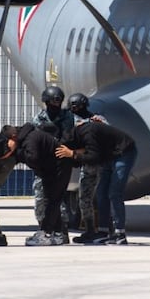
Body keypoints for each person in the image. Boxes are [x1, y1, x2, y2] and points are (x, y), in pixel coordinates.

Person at [55, 120, 137, 245]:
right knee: (101, 193)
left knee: (114, 193)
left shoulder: (87, 133)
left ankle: (120, 233)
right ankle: (103, 232)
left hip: (124, 152)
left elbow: (93, 157)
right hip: (109, 156)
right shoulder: (81, 134)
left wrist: (72, 154)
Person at [3, 122, 73, 246]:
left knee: (53, 200)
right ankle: (57, 233)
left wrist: (17, 154)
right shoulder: (28, 137)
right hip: (52, 169)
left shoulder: (30, 139)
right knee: (51, 200)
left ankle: (46, 233)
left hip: (59, 168)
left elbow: (33, 158)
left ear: (13, 137)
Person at [29, 86, 75, 244]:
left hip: (61, 161)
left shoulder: (67, 116)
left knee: (57, 198)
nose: (56, 105)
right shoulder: (40, 118)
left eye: (58, 102)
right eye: (53, 102)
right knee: (41, 198)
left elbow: (68, 137)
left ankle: (61, 231)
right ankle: (44, 229)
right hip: (44, 163)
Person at [65, 92, 108, 243]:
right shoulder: (70, 121)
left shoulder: (98, 120)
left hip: (101, 165)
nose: (74, 110)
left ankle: (105, 229)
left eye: (76, 107)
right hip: (87, 165)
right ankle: (90, 230)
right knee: (84, 198)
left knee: (102, 196)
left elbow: (109, 134)